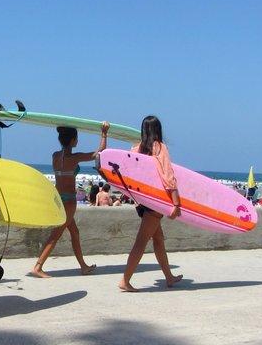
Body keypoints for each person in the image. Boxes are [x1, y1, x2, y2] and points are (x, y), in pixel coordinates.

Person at [32, 123, 110, 278]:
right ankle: (38, 266)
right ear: (73, 140)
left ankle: (83, 266)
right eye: (77, 138)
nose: (78, 140)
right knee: (56, 234)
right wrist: (104, 133)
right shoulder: (75, 158)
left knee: (74, 232)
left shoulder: (55, 156)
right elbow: (99, 152)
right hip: (69, 202)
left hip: (58, 199)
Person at [118, 115, 183, 292]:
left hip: (142, 201)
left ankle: (169, 277)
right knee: (141, 242)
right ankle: (125, 280)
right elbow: (168, 175)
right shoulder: (159, 147)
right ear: (158, 130)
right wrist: (176, 203)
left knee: (159, 240)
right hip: (156, 202)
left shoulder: (136, 149)